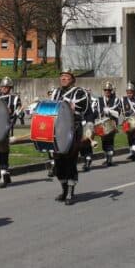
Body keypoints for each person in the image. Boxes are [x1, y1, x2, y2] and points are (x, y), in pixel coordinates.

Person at [50, 69, 94, 205]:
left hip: (73, 130)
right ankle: (64, 189)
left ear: (73, 79)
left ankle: (70, 191)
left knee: (70, 161)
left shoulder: (80, 92)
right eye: (61, 76)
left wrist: (89, 129)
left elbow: (88, 112)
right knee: (58, 164)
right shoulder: (56, 92)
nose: (63, 78)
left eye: (66, 77)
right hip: (57, 131)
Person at [0, 76, 22, 188]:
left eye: (6, 87)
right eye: (2, 87)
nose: (4, 89)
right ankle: (5, 172)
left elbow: (19, 112)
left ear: (10, 88)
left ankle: (3, 173)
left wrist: (14, 113)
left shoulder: (14, 98)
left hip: (6, 126)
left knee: (3, 149)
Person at [95, 81, 122, 166]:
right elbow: (95, 111)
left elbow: (118, 112)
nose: (107, 92)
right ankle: (108, 157)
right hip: (102, 123)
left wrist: (109, 111)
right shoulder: (99, 100)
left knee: (110, 141)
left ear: (111, 91)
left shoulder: (116, 100)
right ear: (104, 91)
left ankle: (109, 159)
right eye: (106, 90)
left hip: (111, 123)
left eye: (109, 90)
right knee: (104, 142)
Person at [120, 82, 135, 161]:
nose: (129, 94)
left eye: (131, 92)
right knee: (129, 137)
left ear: (133, 92)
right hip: (127, 121)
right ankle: (132, 153)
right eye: (128, 92)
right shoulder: (123, 100)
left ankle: (134, 154)